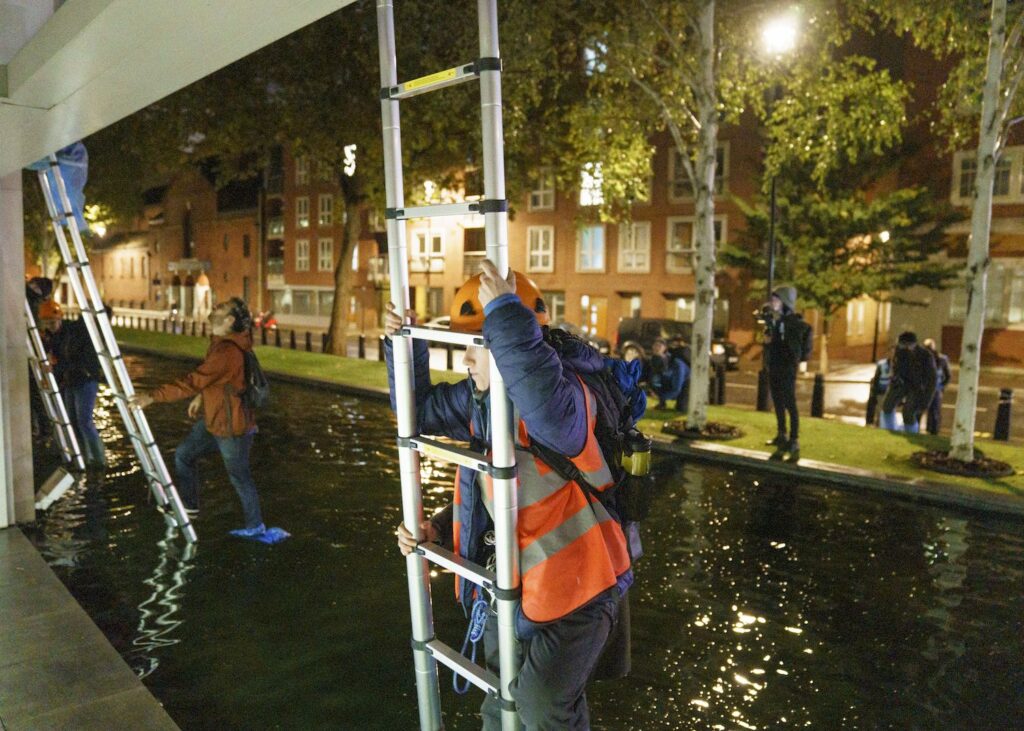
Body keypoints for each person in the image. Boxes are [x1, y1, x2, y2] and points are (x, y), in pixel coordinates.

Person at [388, 260, 631, 730]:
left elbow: (543, 404)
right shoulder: (483, 403)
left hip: (582, 589)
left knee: (543, 708)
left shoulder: (568, 397)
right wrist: (406, 344)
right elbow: (414, 416)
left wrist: (503, 312)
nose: (465, 360)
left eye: (475, 347)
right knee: (501, 706)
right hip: (516, 586)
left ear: (505, 342)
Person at [130, 298, 266, 537]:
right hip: (215, 419)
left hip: (231, 427)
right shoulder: (221, 344)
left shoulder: (226, 351)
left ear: (229, 320)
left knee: (239, 478)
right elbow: (217, 380)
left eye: (220, 309)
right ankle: (190, 506)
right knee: (184, 454)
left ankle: (255, 527)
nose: (214, 309)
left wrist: (152, 396)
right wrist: (202, 398)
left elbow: (194, 380)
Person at [44, 299, 108, 468]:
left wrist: (56, 366)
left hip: (84, 380)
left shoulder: (75, 333)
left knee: (84, 421)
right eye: (47, 323)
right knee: (73, 420)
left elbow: (78, 360)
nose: (51, 326)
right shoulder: (56, 336)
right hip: (71, 381)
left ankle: (99, 460)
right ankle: (84, 458)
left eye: (52, 322)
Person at [764, 286, 813, 462]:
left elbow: (794, 349)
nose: (772, 303)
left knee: (789, 403)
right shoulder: (778, 322)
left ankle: (794, 439)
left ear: (784, 302)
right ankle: (781, 434)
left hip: (786, 368)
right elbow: (773, 344)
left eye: (776, 300)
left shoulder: (793, 324)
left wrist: (777, 342)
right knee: (777, 401)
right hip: (775, 366)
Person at [880, 331, 937, 434]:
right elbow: (895, 366)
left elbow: (932, 380)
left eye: (903, 345)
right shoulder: (900, 350)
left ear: (911, 344)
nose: (901, 347)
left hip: (917, 386)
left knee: (908, 412)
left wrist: (926, 401)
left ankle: (911, 433)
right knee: (887, 406)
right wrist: (894, 379)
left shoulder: (926, 356)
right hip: (901, 383)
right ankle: (889, 429)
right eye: (900, 345)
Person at [648, 338, 689, 410]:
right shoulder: (653, 361)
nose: (657, 348)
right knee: (658, 381)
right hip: (670, 379)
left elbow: (677, 389)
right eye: (655, 345)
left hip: (686, 382)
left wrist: (661, 397)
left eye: (659, 346)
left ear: (665, 348)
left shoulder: (677, 364)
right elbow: (655, 380)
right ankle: (662, 404)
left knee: (681, 408)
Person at [922, 338, 952, 435]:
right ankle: (927, 429)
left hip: (935, 389)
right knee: (922, 410)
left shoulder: (941, 359)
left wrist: (942, 387)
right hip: (925, 389)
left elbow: (947, 376)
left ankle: (933, 431)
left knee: (934, 411)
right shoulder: (923, 359)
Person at [866, 348, 894, 427]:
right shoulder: (882, 364)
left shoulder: (897, 364)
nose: (892, 355)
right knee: (880, 409)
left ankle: (882, 425)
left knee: (886, 410)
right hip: (881, 389)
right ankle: (878, 424)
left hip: (890, 390)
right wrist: (874, 389)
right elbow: (877, 377)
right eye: (890, 352)